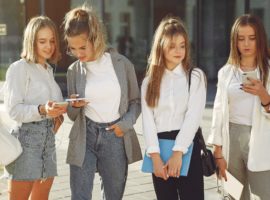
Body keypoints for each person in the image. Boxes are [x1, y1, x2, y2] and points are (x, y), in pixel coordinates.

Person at [62, 6, 141, 200]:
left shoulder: (122, 64)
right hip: (84, 136)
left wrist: (124, 125)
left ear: (95, 38)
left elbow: (135, 101)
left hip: (115, 136)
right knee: (79, 196)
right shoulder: (74, 70)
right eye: (72, 48)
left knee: (114, 196)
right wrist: (74, 106)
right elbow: (73, 115)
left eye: (82, 47)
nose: (78, 53)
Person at [141, 16, 206, 200]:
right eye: (172, 45)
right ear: (161, 46)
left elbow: (193, 117)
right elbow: (147, 121)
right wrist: (154, 158)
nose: (178, 50)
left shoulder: (195, 77)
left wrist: (178, 153)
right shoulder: (149, 82)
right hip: (159, 151)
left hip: (187, 148)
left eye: (182, 45)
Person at [4, 16, 67, 200]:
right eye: (42, 41)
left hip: (48, 142)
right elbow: (13, 110)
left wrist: (64, 108)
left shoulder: (47, 69)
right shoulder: (19, 68)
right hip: (26, 142)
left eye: (52, 41)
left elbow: (52, 107)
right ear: (32, 41)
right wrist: (41, 110)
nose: (49, 46)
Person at [208, 14, 270, 200]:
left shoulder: (268, 71)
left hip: (262, 140)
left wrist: (263, 95)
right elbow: (218, 112)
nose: (246, 44)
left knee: (263, 195)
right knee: (234, 195)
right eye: (241, 38)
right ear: (234, 42)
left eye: (252, 38)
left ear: (260, 39)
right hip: (231, 141)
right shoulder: (226, 73)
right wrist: (217, 151)